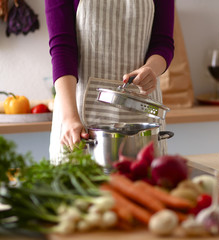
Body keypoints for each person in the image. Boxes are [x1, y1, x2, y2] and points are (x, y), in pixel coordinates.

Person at [45, 0, 175, 163]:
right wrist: (70, 117)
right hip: (78, 117)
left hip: (143, 119)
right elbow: (62, 47)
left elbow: (163, 43)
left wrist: (151, 69)